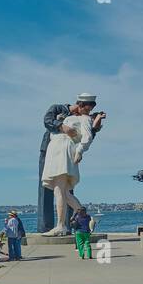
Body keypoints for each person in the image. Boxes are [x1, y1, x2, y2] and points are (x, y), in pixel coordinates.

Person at [39, 94, 105, 233]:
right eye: (86, 109)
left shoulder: (84, 118)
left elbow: (87, 137)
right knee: (63, 192)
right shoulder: (62, 111)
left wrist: (79, 151)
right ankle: (85, 217)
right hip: (55, 149)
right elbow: (47, 120)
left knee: (59, 189)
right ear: (80, 105)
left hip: (63, 149)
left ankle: (60, 225)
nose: (88, 112)